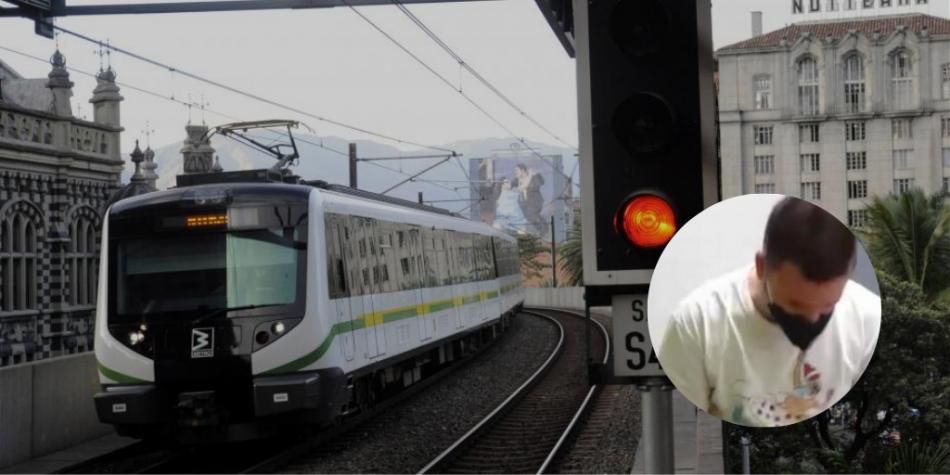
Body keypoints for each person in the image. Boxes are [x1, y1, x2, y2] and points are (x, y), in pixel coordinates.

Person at [658, 197, 881, 427]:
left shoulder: (866, 319)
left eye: (828, 305)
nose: (813, 319)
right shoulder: (696, 323)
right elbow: (681, 425)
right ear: (762, 266)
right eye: (796, 305)